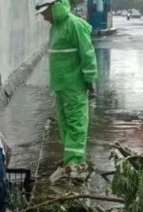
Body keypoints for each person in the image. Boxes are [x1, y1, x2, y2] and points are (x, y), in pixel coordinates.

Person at [36, 0, 98, 181]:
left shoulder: (75, 25)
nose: (44, 17)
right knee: (65, 124)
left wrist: (90, 80)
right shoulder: (56, 27)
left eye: (45, 13)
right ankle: (70, 160)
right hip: (61, 87)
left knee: (76, 123)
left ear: (55, 8)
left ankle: (75, 163)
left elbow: (87, 54)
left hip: (75, 86)